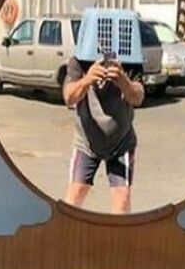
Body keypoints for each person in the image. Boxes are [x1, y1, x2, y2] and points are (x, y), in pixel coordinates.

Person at [62, 52, 145, 214]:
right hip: (86, 142)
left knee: (122, 199)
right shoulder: (79, 59)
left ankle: (118, 237)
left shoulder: (130, 58)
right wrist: (87, 79)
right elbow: (68, 97)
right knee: (75, 195)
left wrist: (124, 83)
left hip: (122, 141)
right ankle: (66, 235)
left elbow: (138, 98)